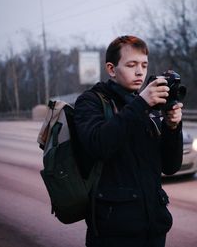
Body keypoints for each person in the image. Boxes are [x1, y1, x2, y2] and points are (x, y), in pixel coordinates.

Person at [74, 35, 183, 247]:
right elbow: (99, 145)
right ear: (112, 69)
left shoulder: (144, 104)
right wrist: (142, 103)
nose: (140, 72)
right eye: (131, 65)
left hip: (154, 229)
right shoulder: (91, 101)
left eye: (144, 65)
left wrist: (172, 127)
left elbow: (170, 166)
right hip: (114, 233)